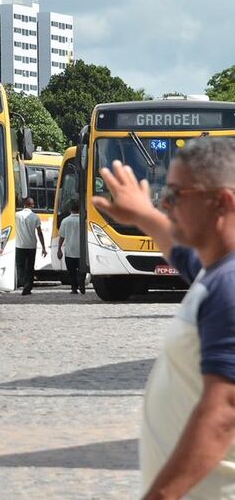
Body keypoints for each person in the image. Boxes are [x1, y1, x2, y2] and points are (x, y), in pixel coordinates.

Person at [93, 141, 235, 498]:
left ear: (222, 202)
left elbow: (224, 413)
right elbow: (179, 249)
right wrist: (142, 214)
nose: (164, 203)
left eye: (176, 194)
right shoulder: (214, 269)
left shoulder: (229, 286)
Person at [15, 196, 46, 295]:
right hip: (32, 245)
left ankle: (24, 283)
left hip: (20, 245)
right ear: (32, 205)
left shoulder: (16, 215)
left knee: (20, 266)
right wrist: (44, 247)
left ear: (24, 204)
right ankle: (28, 287)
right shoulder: (35, 217)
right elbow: (39, 232)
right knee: (30, 267)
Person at [57, 200, 84, 294]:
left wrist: (59, 249)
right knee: (82, 270)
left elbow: (62, 237)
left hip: (69, 251)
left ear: (70, 210)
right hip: (82, 251)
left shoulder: (65, 221)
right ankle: (82, 285)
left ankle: (74, 288)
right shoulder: (83, 220)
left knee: (71, 271)